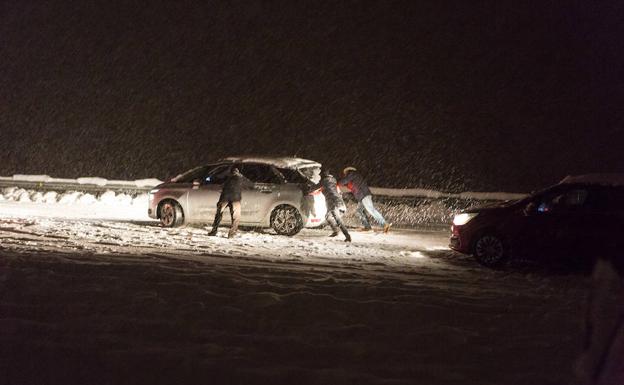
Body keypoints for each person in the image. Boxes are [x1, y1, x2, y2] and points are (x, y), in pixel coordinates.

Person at [339, 166, 391, 233]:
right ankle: (367, 226)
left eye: (345, 173)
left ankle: (384, 224)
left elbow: (344, 181)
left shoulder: (352, 174)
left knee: (371, 210)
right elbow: (351, 185)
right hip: (362, 197)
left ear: (348, 171)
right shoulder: (356, 177)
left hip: (364, 196)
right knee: (359, 211)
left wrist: (336, 183)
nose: (345, 174)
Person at [208, 167, 253, 238]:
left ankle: (214, 230)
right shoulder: (241, 179)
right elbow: (251, 185)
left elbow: (220, 184)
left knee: (219, 214)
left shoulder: (227, 178)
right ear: (238, 172)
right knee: (236, 217)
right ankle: (231, 234)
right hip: (235, 199)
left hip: (224, 198)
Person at [313, 169, 351, 242]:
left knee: (337, 219)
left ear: (324, 174)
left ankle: (347, 236)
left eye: (321, 174)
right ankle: (336, 231)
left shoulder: (325, 181)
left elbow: (315, 188)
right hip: (337, 200)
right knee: (328, 216)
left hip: (332, 201)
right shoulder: (333, 180)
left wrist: (307, 191)